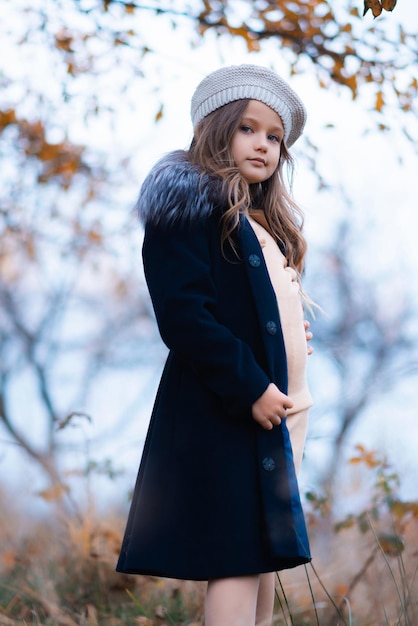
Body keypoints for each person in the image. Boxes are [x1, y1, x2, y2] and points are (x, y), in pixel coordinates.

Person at [116, 64, 314, 626]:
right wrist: (250, 385)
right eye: (249, 128)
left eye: (274, 137)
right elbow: (185, 316)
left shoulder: (258, 221)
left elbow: (256, 304)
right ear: (216, 128)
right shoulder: (190, 210)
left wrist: (291, 329)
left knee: (262, 555)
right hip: (230, 409)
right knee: (236, 554)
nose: (264, 144)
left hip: (279, 413)